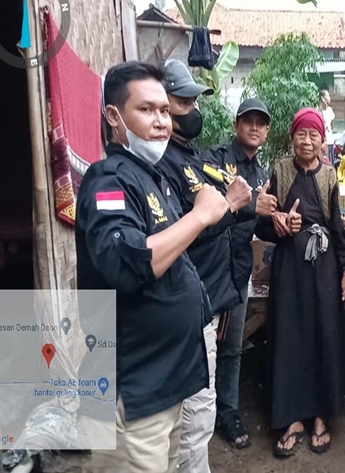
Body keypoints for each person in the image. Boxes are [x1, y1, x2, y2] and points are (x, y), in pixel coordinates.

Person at [76, 61, 229, 472]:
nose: (161, 121)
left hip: (164, 384)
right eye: (146, 110)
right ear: (114, 116)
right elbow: (126, 264)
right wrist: (200, 215)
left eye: (164, 110)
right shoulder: (108, 183)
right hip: (132, 391)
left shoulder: (152, 178)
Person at [155, 60, 254, 472]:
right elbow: (183, 232)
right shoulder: (159, 165)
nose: (192, 110)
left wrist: (252, 208)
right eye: (183, 102)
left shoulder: (190, 158)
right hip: (188, 305)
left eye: (194, 102)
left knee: (199, 415)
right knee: (190, 420)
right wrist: (230, 205)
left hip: (212, 294)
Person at [255, 108, 345, 457]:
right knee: (289, 336)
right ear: (292, 138)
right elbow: (262, 223)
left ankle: (320, 415)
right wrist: (278, 222)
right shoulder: (280, 171)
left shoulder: (329, 175)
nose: (307, 141)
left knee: (323, 334)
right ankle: (292, 418)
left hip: (323, 269)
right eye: (301, 134)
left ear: (323, 141)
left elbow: (337, 226)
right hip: (288, 267)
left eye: (314, 135)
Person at [202, 97, 277, 450]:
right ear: (237, 125)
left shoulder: (262, 174)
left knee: (232, 347)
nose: (254, 127)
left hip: (239, 270)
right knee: (201, 346)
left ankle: (228, 412)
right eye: (248, 120)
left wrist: (281, 224)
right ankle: (197, 414)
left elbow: (260, 225)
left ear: (267, 131)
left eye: (261, 123)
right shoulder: (215, 160)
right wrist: (253, 204)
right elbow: (211, 203)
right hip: (208, 268)